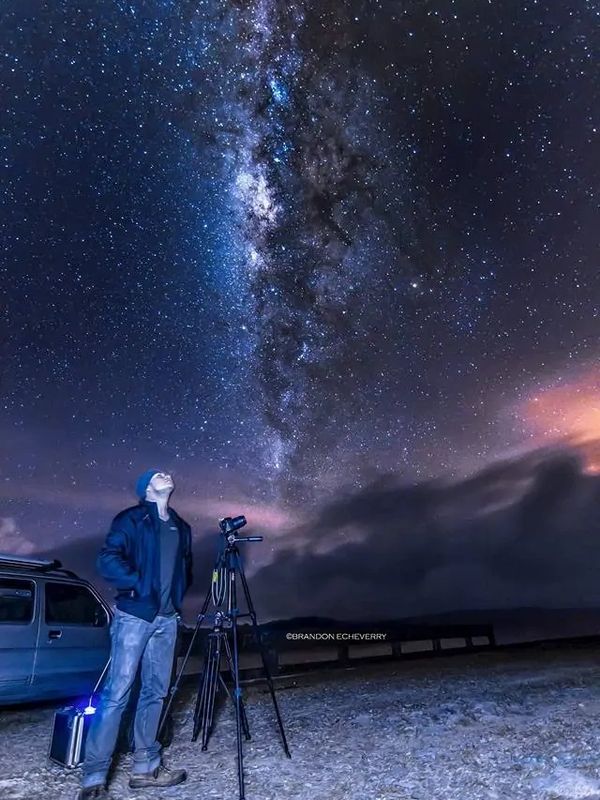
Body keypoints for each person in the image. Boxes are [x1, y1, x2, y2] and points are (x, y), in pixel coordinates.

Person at [78, 470, 193, 800]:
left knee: (156, 692)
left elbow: (185, 567)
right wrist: (140, 584)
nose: (166, 473)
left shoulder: (181, 526)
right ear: (146, 488)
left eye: (167, 472)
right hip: (134, 616)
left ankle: (145, 769)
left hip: (167, 620)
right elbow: (107, 559)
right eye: (156, 473)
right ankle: (94, 778)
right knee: (117, 694)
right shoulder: (131, 519)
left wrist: (174, 601)